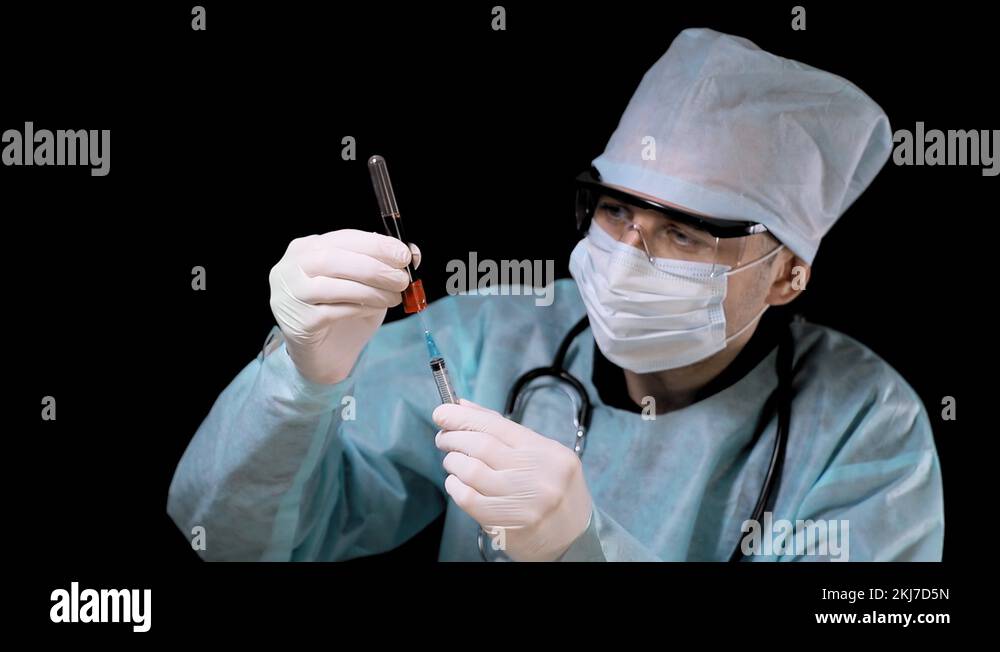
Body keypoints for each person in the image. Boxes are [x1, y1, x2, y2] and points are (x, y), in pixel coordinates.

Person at [168, 28, 943, 561]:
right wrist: (299, 382)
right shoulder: (492, 338)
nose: (628, 254)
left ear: (787, 273)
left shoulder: (869, 428)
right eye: (616, 210)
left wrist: (581, 546)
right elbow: (236, 541)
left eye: (685, 234)